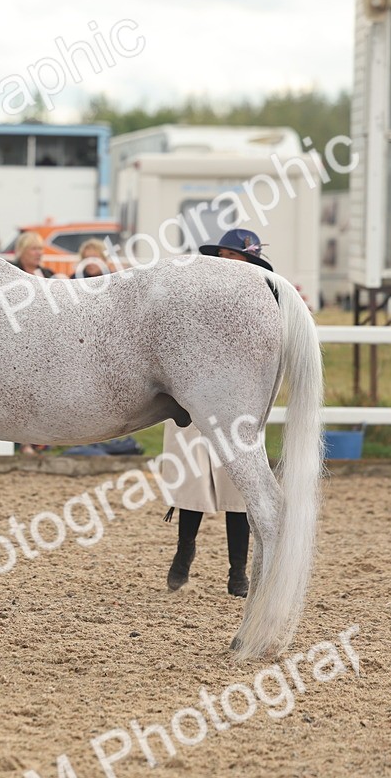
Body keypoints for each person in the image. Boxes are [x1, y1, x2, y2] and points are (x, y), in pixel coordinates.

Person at [163, 228, 276, 599]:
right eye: (225, 257)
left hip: (237, 400)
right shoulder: (194, 295)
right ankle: (183, 554)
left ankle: (238, 571)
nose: (228, 265)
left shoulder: (263, 300)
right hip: (192, 394)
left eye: (236, 259)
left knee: (237, 488)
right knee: (193, 481)